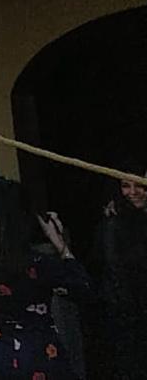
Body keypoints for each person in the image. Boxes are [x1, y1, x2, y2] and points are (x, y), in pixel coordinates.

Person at [0, 179, 90, 380]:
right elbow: (82, 286)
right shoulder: (39, 264)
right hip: (39, 354)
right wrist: (60, 244)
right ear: (25, 219)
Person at [89, 162, 147, 379]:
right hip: (129, 319)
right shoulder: (113, 225)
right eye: (125, 186)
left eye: (140, 185)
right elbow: (115, 273)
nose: (133, 192)